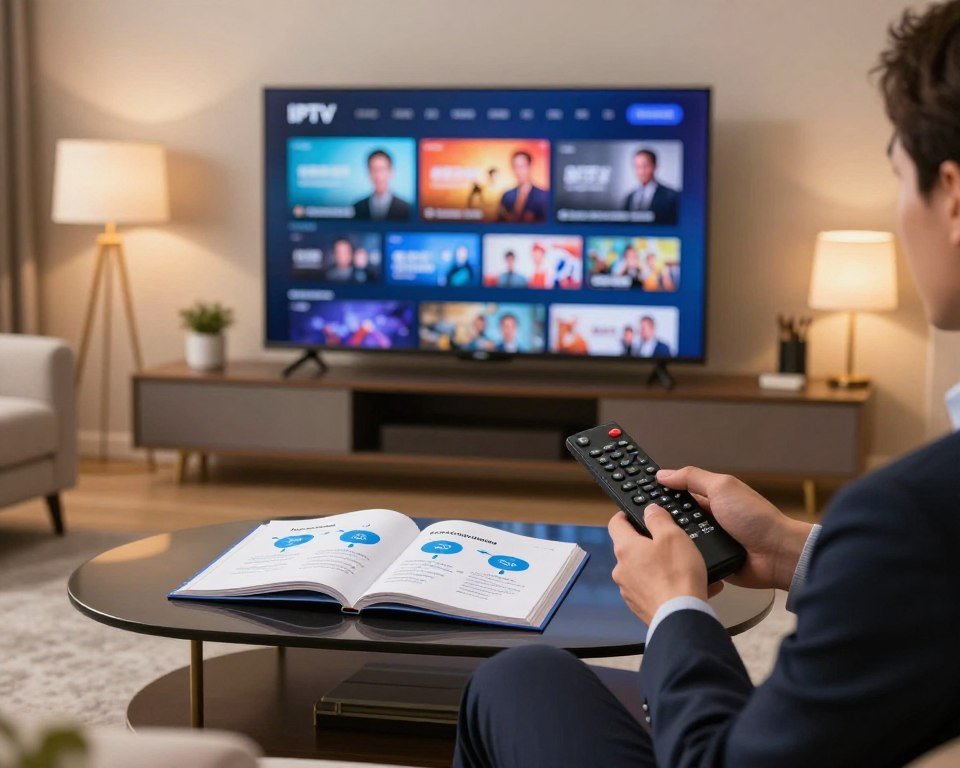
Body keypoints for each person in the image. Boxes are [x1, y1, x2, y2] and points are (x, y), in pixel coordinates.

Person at [454, 4, 960, 766]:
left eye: (897, 176)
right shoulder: (920, 526)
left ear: (953, 196)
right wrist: (796, 551)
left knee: (513, 679)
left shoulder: (910, 513)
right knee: (526, 675)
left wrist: (676, 608)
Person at [622, 148, 679, 224]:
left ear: (655, 166)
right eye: (637, 167)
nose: (641, 171)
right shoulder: (630, 197)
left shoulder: (671, 196)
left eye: (645, 166)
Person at [353, 149, 411, 221]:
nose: (378, 175)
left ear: (391, 171)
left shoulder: (406, 208)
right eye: (374, 169)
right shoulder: (358, 207)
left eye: (381, 169)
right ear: (368, 172)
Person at [497, 151, 548, 223]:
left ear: (530, 166)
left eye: (522, 166)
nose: (518, 171)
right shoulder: (507, 196)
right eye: (515, 167)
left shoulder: (543, 196)